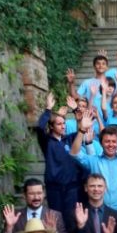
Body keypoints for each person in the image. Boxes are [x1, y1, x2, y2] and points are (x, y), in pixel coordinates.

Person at [36, 91, 83, 222]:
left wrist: (76, 111)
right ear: (51, 126)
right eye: (59, 124)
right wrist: (48, 109)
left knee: (72, 219)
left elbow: (82, 129)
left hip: (72, 187)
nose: (63, 126)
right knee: (56, 219)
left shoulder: (69, 139)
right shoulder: (47, 141)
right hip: (54, 188)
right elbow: (40, 128)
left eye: (64, 123)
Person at [0, 179, 69, 233]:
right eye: (32, 194)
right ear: (24, 195)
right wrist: (9, 229)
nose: (36, 197)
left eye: (39, 193)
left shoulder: (55, 215)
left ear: (44, 194)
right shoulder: (14, 216)